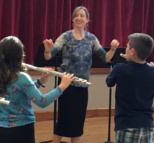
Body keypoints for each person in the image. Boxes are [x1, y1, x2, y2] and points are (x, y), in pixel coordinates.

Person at [43, 6, 120, 143]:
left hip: (83, 85)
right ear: (73, 19)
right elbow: (49, 56)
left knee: (78, 119)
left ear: (87, 20)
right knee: (64, 118)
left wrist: (113, 49)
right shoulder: (66, 36)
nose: (79, 18)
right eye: (76, 15)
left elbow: (106, 58)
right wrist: (48, 50)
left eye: (82, 15)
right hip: (66, 84)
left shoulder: (91, 38)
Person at [0, 36, 75, 143]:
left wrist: (40, 82)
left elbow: (17, 91)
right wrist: (62, 86)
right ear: (18, 56)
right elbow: (42, 101)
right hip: (21, 129)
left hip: (1, 129)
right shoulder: (21, 77)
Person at [106, 33, 154, 143]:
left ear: (132, 51)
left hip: (126, 125)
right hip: (147, 125)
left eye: (127, 46)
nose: (126, 49)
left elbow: (108, 82)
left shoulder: (119, 69)